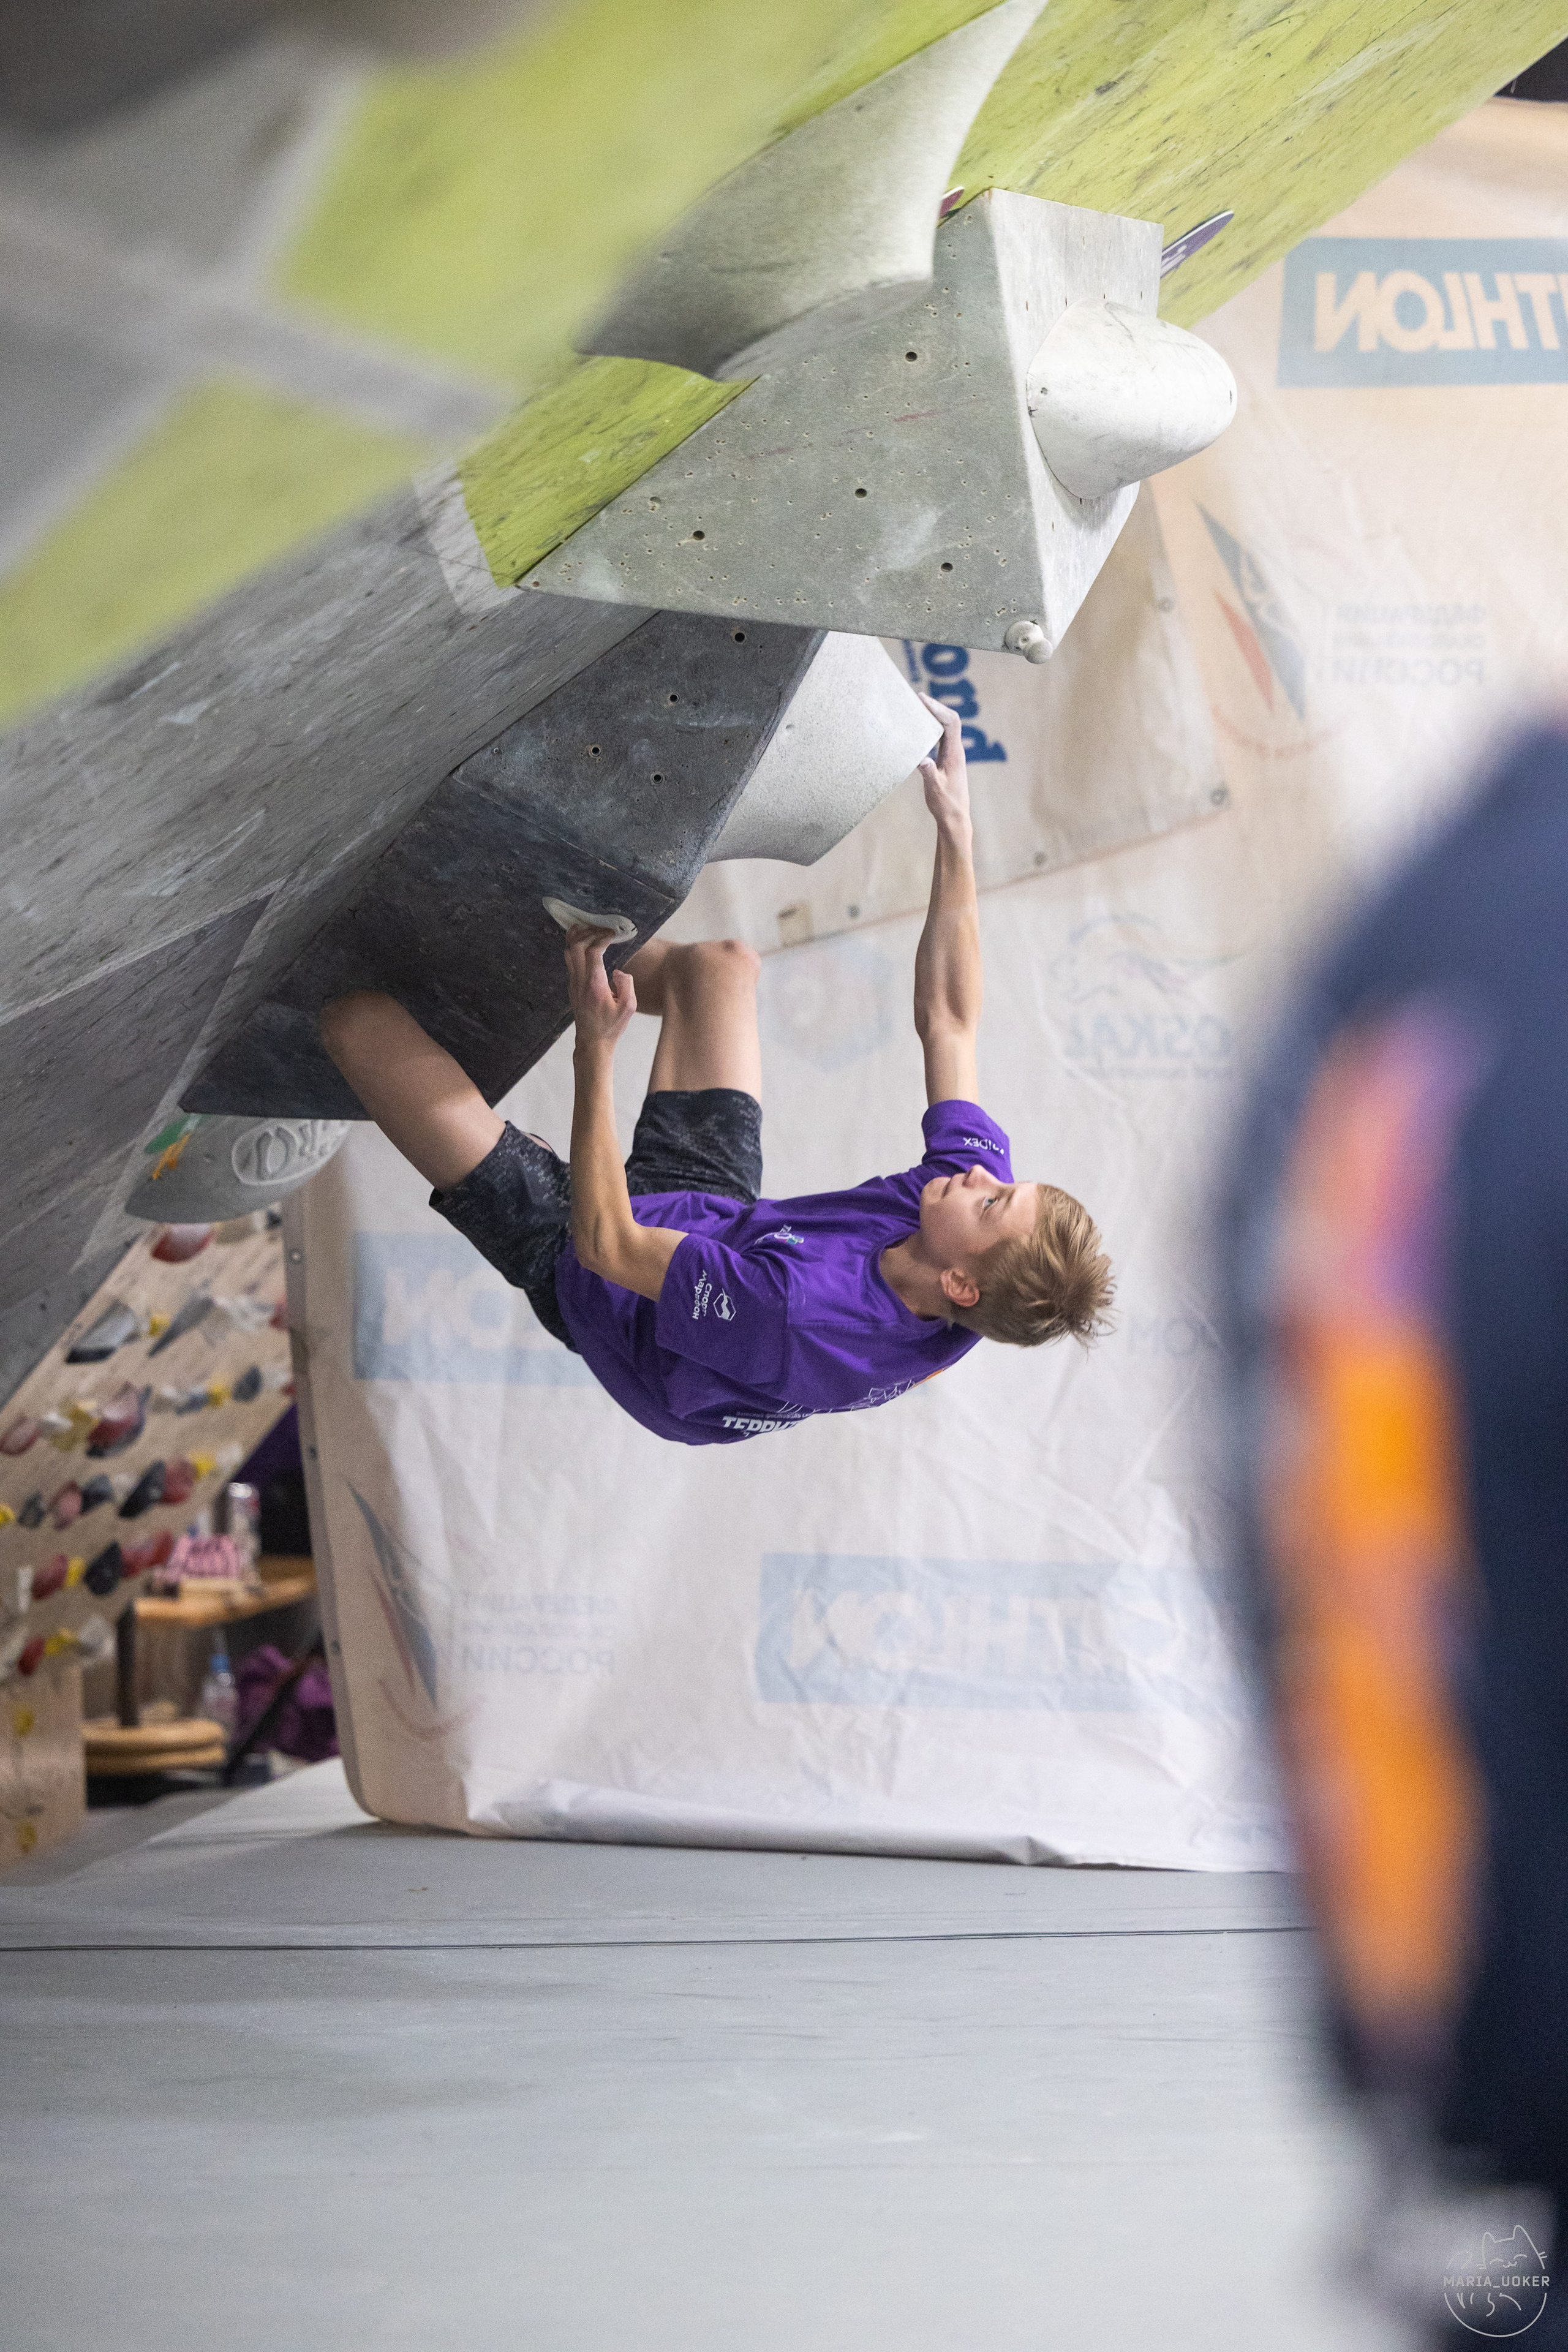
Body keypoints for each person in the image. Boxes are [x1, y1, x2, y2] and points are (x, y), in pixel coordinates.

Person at [321, 693, 1114, 1446]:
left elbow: (608, 1243)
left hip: (605, 1288)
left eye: (991, 1201)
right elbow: (949, 1018)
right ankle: (536, 952)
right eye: (1002, 1184)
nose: (981, 1175)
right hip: (718, 1220)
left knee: (352, 1024)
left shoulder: (803, 1317)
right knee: (721, 971)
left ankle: (557, 991)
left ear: (962, 1289)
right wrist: (957, 835)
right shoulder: (962, 1219)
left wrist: (595, 1052)